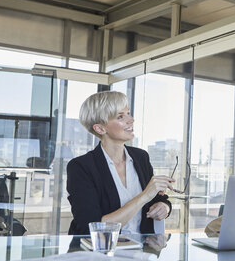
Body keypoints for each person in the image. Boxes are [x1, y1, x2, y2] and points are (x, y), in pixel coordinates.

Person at [67, 91, 173, 235]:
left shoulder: (141, 157)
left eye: (128, 113)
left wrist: (164, 208)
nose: (131, 120)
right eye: (120, 116)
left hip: (141, 252)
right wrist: (144, 197)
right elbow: (90, 227)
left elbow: (160, 199)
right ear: (100, 128)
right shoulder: (81, 167)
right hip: (101, 253)